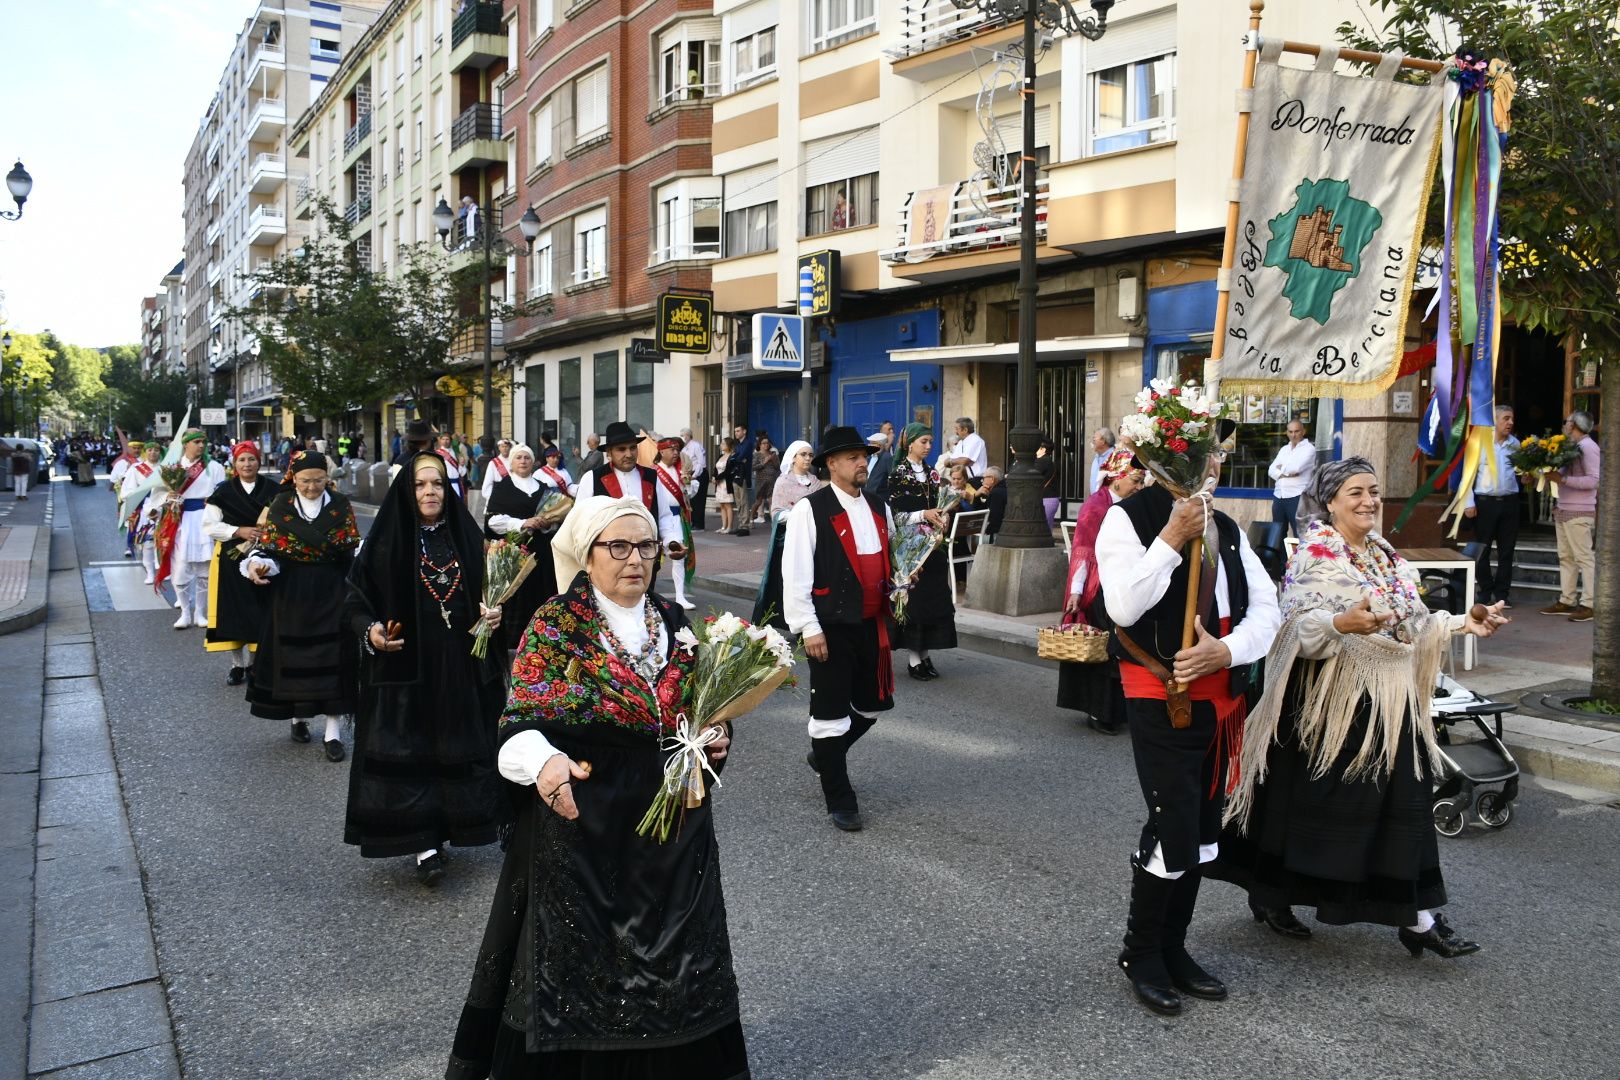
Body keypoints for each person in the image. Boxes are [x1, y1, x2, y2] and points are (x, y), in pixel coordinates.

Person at [444, 496, 747, 1080]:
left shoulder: (677, 624)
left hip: (672, 841)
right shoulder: (557, 625)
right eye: (619, 546)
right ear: (587, 555)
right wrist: (545, 765)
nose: (635, 559)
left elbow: (702, 714)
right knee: (581, 973)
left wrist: (714, 737)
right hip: (582, 829)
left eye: (645, 546)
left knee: (677, 968)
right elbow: (516, 727)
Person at [1213, 457, 1508, 959]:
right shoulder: (1314, 556)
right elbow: (1294, 631)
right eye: (1355, 492)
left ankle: (1418, 918)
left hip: (1390, 703)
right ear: (1329, 501)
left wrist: (1463, 622)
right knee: (1302, 810)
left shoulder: (1384, 555)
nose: (1369, 500)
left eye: (1374, 490)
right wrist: (1339, 625)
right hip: (1330, 707)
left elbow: (1411, 622)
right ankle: (1271, 895)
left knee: (1405, 809)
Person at [1094, 431, 1281, 1016]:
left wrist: (1226, 652)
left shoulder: (1225, 524)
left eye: (1217, 456)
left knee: (1202, 828)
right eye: (1199, 456)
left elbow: (1267, 609)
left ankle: (1173, 946)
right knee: (1172, 822)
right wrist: (1172, 537)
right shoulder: (1127, 518)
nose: (1211, 467)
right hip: (1160, 694)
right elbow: (1122, 608)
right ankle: (1140, 951)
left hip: (1220, 697)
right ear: (1160, 462)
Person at [344, 453, 510, 885]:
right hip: (406, 670)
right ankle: (424, 842)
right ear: (406, 491)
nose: (430, 491)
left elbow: (494, 599)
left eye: (437, 483)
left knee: (455, 748)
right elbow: (354, 604)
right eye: (420, 485)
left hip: (459, 666)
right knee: (413, 751)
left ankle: (454, 826)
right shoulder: (384, 543)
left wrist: (494, 616)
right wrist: (372, 632)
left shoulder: (467, 539)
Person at [782, 427, 894, 832]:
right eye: (852, 457)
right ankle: (840, 796)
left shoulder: (880, 506)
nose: (862, 462)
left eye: (864, 456)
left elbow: (889, 562)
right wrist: (808, 628)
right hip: (828, 626)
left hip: (871, 624)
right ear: (831, 463)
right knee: (829, 714)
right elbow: (795, 575)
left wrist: (900, 587)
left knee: (874, 703)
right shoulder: (809, 510)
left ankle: (826, 753)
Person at [241, 451, 362, 760]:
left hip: (333, 590)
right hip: (291, 593)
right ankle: (298, 719)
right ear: (293, 478)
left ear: (327, 479)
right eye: (306, 481)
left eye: (318, 480)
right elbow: (269, 549)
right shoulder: (280, 506)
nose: (311, 487)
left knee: (334, 659)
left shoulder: (340, 506)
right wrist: (256, 565)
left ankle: (333, 734)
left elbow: (351, 548)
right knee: (296, 660)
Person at [1058, 448, 1144, 735]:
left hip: (1121, 582)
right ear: (1117, 478)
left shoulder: (1131, 503)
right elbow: (1083, 552)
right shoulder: (1096, 507)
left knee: (1117, 650)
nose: (1139, 486)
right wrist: (1076, 592)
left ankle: (1117, 710)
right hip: (1098, 587)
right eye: (1135, 480)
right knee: (1103, 652)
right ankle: (1100, 711)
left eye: (1142, 481)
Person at [201, 442, 277, 686]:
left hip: (265, 554)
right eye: (242, 460)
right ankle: (237, 665)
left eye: (251, 459)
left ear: (259, 461)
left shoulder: (273, 489)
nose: (247, 464)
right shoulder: (223, 491)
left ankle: (255, 663)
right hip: (231, 557)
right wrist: (238, 531)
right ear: (234, 463)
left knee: (260, 608)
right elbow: (210, 525)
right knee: (232, 610)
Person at [889, 424, 959, 681]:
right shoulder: (897, 474)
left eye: (931, 441)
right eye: (924, 442)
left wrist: (944, 515)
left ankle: (925, 654)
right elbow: (894, 515)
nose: (929, 446)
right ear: (910, 443)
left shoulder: (932, 474)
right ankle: (913, 659)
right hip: (910, 549)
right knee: (915, 602)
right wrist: (923, 515)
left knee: (932, 601)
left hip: (933, 546)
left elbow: (938, 505)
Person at [485, 445, 567, 645]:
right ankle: (515, 639)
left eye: (527, 458)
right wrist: (522, 523)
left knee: (542, 591)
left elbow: (556, 518)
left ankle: (541, 636)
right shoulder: (503, 487)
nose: (523, 461)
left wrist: (546, 523)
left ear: (533, 462)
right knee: (516, 594)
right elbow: (492, 521)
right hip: (514, 553)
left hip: (541, 553)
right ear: (511, 463)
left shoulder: (543, 486)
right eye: (518, 458)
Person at [163, 430, 229, 630]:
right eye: (197, 442)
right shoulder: (172, 468)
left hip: (205, 519)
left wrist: (216, 501)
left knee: (204, 569)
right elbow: (158, 494)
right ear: (185, 444)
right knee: (180, 567)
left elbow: (222, 493)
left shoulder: (214, 467)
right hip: (181, 520)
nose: (201, 446)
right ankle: (185, 612)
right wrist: (169, 497)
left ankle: (200, 612)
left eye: (203, 442)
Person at [754, 440, 821, 630]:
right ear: (793, 458)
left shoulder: (814, 481)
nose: (808, 458)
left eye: (810, 455)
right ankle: (794, 621)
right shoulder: (783, 481)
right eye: (803, 454)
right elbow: (776, 512)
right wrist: (795, 515)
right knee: (792, 582)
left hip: (812, 538)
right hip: (790, 540)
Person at [1540, 410, 1600, 622]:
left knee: (1584, 558)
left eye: (1567, 423)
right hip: (1564, 508)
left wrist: (1563, 480)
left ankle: (1590, 604)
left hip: (1579, 510)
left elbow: (1594, 481)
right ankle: (1567, 599)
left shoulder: (1588, 447)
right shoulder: (1570, 447)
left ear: (1574, 425)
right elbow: (1562, 475)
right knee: (1566, 557)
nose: (1564, 426)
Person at [1461, 405, 1522, 608]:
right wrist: (1468, 502)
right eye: (1506, 418)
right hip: (1484, 504)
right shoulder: (1479, 443)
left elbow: (1521, 473)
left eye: (1511, 419)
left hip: (1510, 503)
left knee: (1507, 551)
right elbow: (1467, 475)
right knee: (1483, 550)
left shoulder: (1516, 445)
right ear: (1494, 421)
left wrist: (1529, 477)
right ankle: (1485, 591)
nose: (1510, 423)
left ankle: (1502, 594)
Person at [654, 435, 699, 610]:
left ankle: (680, 596)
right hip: (658, 518)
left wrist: (687, 483)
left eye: (677, 449)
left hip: (676, 518)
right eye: (672, 449)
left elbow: (688, 496)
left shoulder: (680, 471)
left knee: (679, 556)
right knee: (652, 557)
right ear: (661, 451)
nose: (676, 453)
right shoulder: (653, 471)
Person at [1267, 420, 1317, 541]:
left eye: (1296, 431)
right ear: (1287, 433)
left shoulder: (1309, 449)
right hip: (1279, 496)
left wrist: (1280, 469)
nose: (1293, 435)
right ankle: (1281, 560)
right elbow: (1271, 470)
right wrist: (1286, 473)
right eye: (1290, 431)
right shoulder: (1284, 449)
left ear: (1303, 432)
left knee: (1299, 533)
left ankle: (1299, 559)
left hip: (1297, 496)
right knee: (1278, 534)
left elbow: (1296, 468)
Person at [125, 444, 165, 583]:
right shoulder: (136, 469)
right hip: (145, 509)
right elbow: (128, 490)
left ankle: (165, 569)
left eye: (156, 449)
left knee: (164, 540)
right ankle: (150, 572)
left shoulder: (166, 468)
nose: (153, 452)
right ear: (145, 452)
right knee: (147, 542)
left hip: (163, 507)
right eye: (150, 450)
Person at [115, 441, 146, 557]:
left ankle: (143, 544)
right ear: (128, 449)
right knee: (131, 521)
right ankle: (129, 546)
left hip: (146, 497)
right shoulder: (122, 463)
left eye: (139, 448)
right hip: (129, 495)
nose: (136, 450)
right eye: (134, 448)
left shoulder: (144, 463)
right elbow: (114, 478)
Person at [682, 427, 709, 530]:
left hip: (699, 473)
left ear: (689, 435)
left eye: (684, 435)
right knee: (691, 499)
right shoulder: (684, 448)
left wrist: (694, 475)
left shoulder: (696, 445)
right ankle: (693, 521)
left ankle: (699, 524)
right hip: (689, 474)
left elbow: (700, 463)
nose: (683, 437)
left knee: (699, 499)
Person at [749, 432, 779, 525]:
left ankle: (774, 523)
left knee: (771, 502)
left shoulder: (773, 454)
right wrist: (764, 462)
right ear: (760, 444)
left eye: (767, 443)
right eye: (763, 443)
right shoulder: (756, 454)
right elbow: (753, 467)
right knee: (758, 501)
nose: (766, 445)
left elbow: (778, 467)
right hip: (761, 481)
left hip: (772, 481)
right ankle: (751, 519)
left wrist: (773, 460)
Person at [972, 465, 1008, 543]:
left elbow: (995, 517)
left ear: (992, 479)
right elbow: (983, 509)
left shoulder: (996, 493)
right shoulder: (1004, 488)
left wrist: (987, 531)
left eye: (984, 478)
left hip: (1000, 535)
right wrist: (977, 496)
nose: (982, 481)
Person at [730, 423, 754, 536]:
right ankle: (740, 524)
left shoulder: (748, 443)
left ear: (744, 431)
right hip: (736, 474)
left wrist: (736, 458)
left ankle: (745, 526)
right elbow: (733, 458)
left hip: (743, 475)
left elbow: (740, 456)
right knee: (738, 501)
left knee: (744, 501)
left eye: (738, 431)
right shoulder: (737, 444)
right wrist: (736, 458)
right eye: (735, 431)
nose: (736, 433)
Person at [713, 436, 739, 534]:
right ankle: (723, 526)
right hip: (718, 484)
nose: (721, 445)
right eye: (721, 443)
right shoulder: (720, 456)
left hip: (726, 483)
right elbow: (715, 468)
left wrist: (718, 478)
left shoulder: (732, 456)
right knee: (722, 505)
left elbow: (728, 471)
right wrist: (714, 476)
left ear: (729, 445)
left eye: (723, 443)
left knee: (728, 505)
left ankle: (729, 527)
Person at [865, 430, 894, 505]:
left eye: (872, 444)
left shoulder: (887, 458)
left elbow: (892, 478)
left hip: (879, 499)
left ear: (879, 445)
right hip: (866, 497)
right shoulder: (869, 457)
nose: (869, 445)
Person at [1037, 437, 1060, 530]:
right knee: (1046, 526)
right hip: (1049, 498)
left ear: (1043, 449)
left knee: (1043, 527)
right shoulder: (1047, 461)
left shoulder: (1043, 461)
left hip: (1046, 498)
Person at [1087, 428, 1117, 497]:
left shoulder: (1114, 457)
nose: (1092, 441)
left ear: (1103, 441)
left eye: (1094, 439)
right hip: (1096, 500)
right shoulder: (1096, 457)